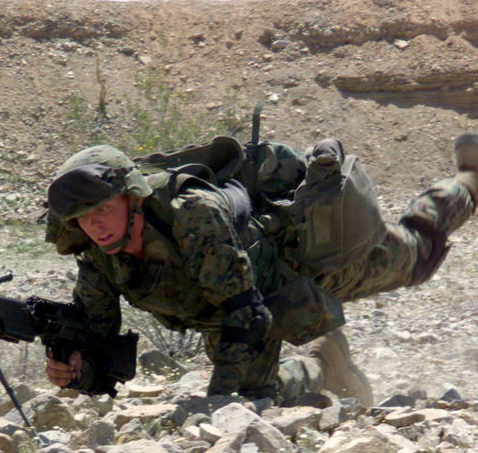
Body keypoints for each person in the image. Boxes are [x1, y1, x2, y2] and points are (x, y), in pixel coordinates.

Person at [43, 133, 478, 407]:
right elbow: (100, 347)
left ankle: (467, 182)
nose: (95, 224)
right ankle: (327, 366)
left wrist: (214, 407)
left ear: (132, 198)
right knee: (258, 396)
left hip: (303, 267)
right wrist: (78, 370)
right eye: (83, 217)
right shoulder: (95, 255)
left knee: (416, 257)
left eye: (103, 208)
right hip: (231, 310)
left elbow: (245, 317)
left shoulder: (191, 214)